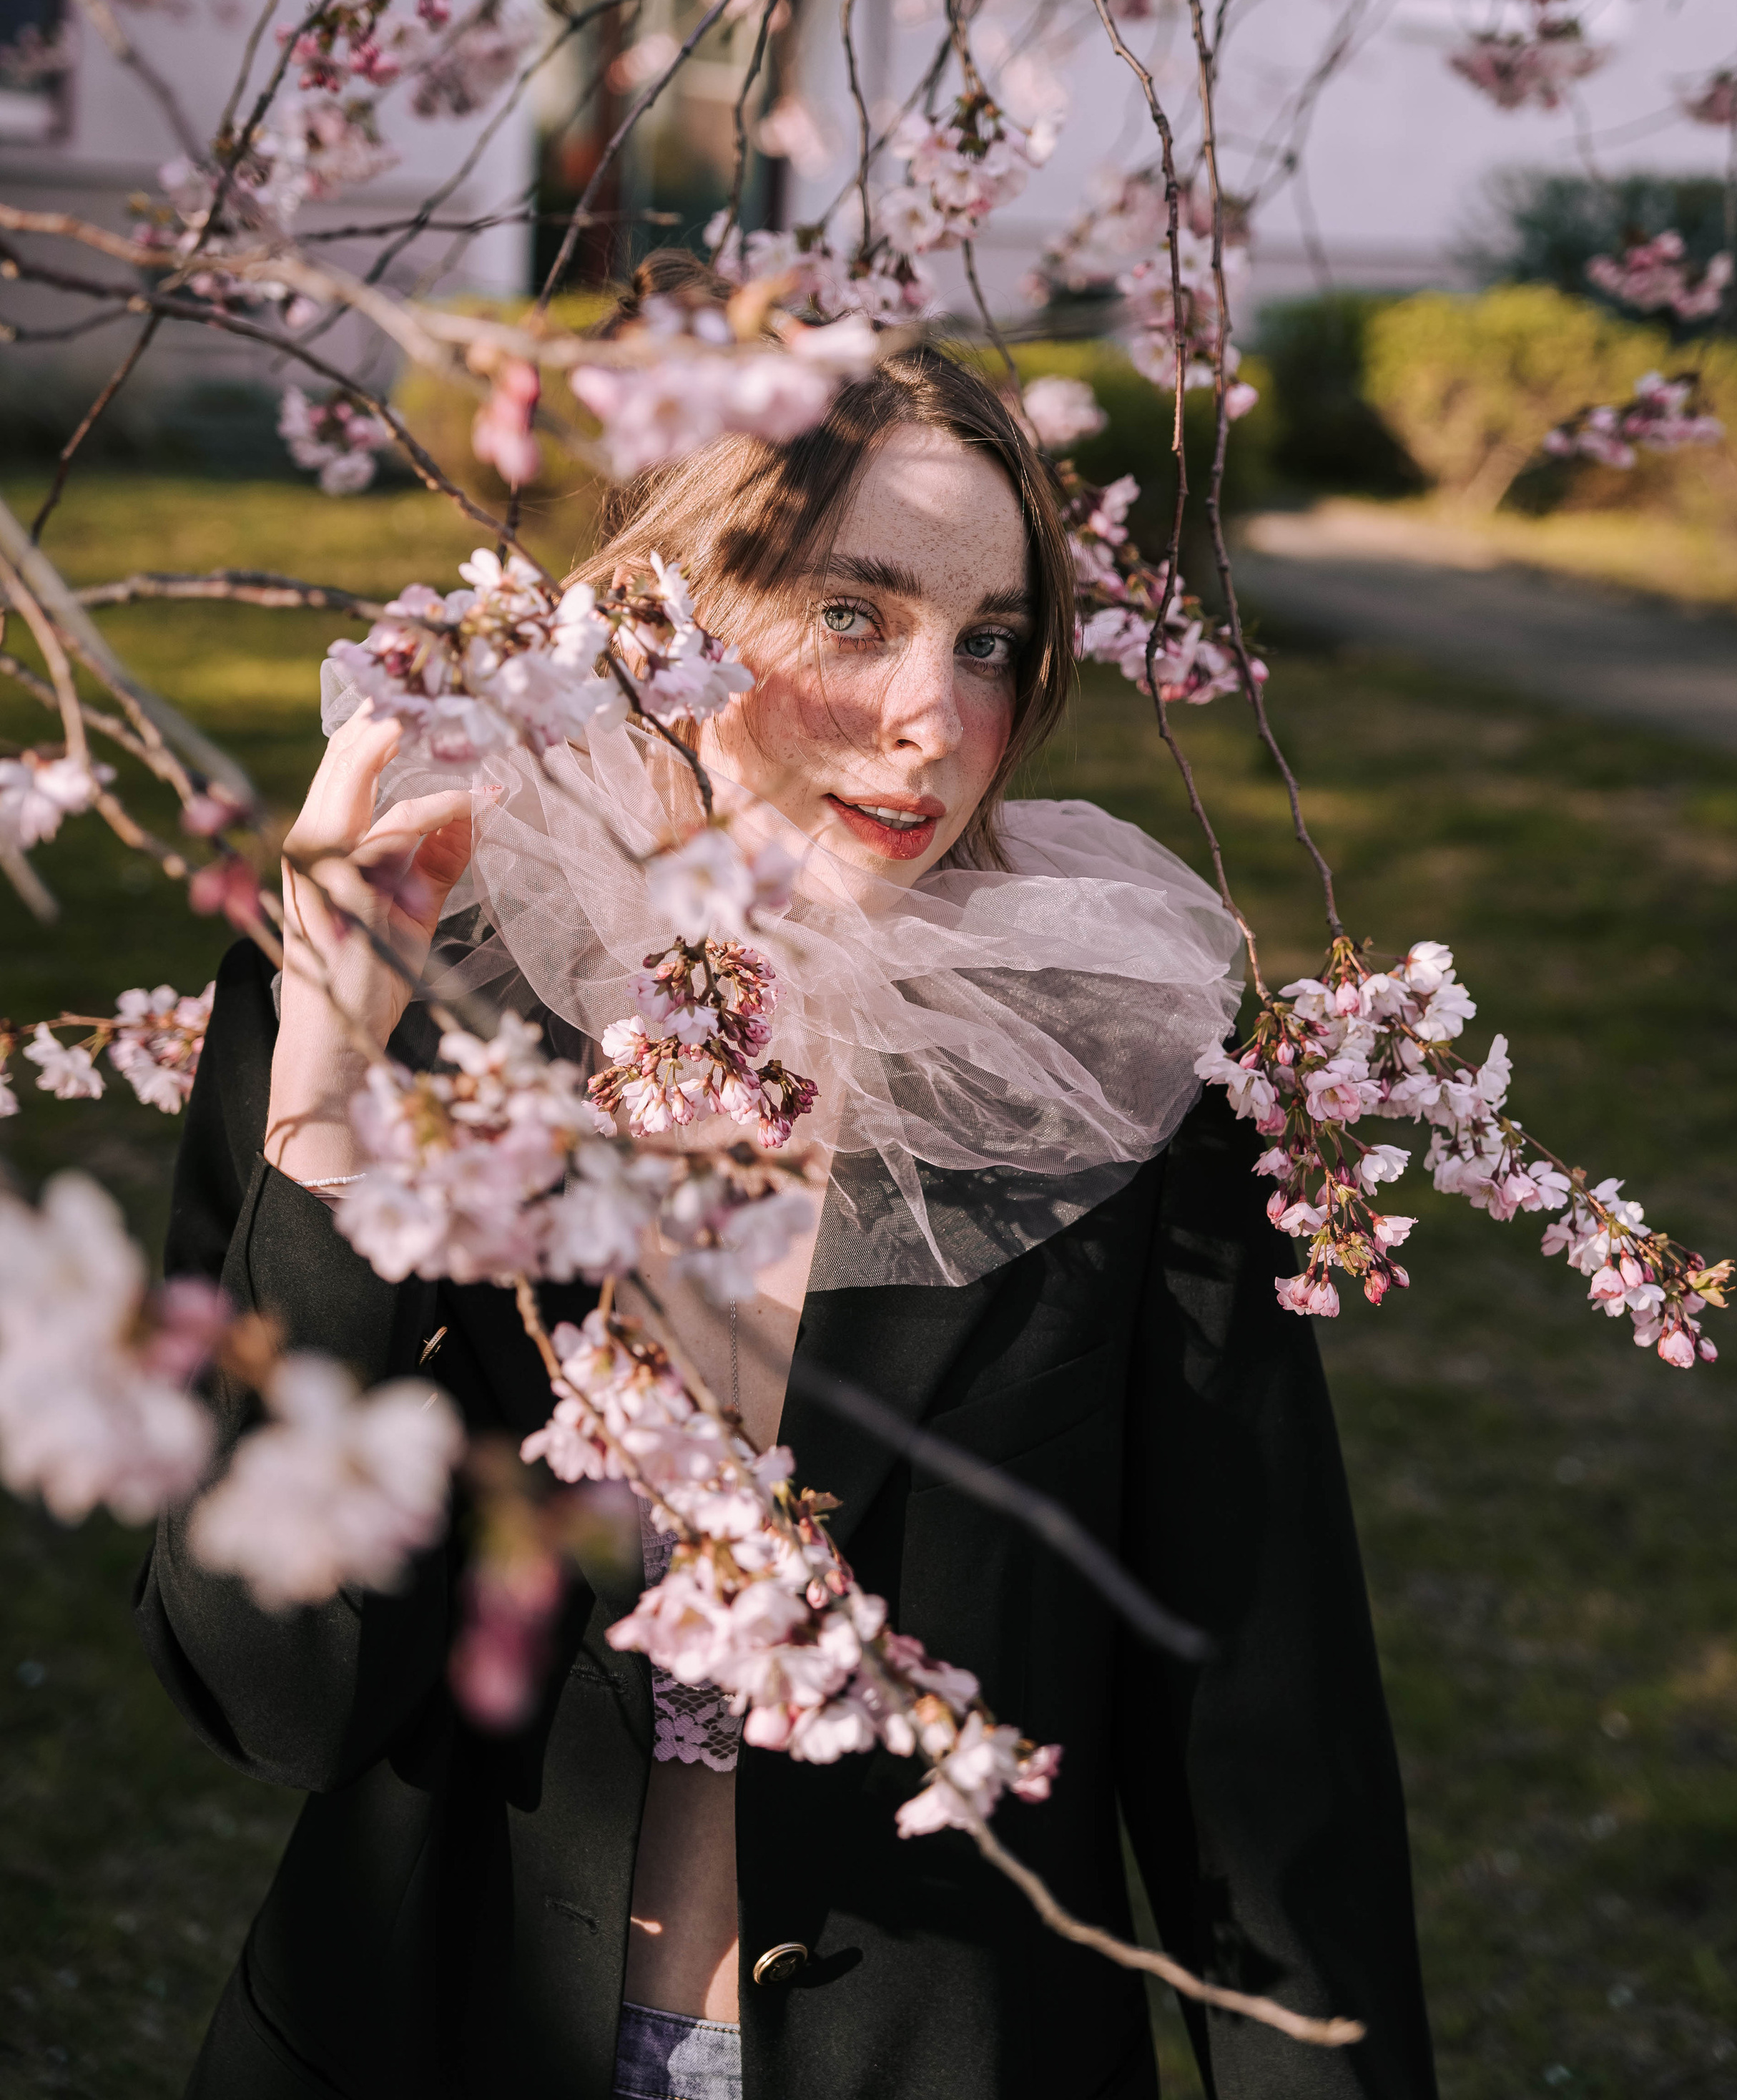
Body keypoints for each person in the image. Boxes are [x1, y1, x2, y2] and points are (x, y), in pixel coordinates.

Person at [137, 326, 1438, 2100]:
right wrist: (328, 1117)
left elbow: (1262, 1763)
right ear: (665, 622)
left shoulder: (1116, 1093)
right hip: (418, 2036)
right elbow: (273, 1699)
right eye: (854, 615)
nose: (936, 717)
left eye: (989, 640)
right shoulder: (390, 1010)